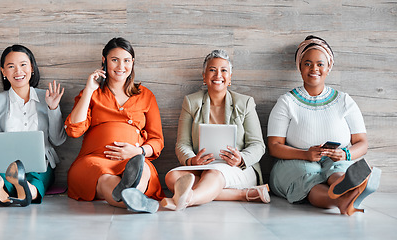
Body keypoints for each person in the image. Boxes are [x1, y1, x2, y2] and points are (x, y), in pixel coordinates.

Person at [267, 35, 381, 216]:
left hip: (335, 159)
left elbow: (362, 143)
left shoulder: (344, 101)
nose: (314, 69)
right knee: (309, 178)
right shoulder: (286, 102)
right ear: (300, 67)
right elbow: (274, 147)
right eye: (307, 63)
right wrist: (306, 154)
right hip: (295, 161)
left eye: (320, 64)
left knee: (337, 170)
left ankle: (345, 186)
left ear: (329, 67)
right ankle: (345, 198)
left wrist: (345, 154)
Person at [65, 37, 164, 213]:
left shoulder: (146, 95)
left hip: (133, 158)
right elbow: (74, 130)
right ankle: (136, 198)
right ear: (104, 61)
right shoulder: (92, 94)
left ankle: (132, 191)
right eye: (114, 60)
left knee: (142, 171)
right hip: (94, 159)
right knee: (104, 179)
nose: (120, 67)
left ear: (132, 63)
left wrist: (138, 151)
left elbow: (157, 140)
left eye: (126, 61)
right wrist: (89, 90)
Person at [161, 50, 269, 211]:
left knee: (213, 174)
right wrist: (192, 161)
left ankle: (188, 199)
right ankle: (244, 194)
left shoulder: (245, 103)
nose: (218, 75)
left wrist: (241, 159)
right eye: (212, 70)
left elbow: (258, 145)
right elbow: (182, 144)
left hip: (238, 168)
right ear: (204, 77)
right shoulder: (191, 102)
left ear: (230, 78)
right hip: (201, 167)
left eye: (224, 70)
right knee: (172, 177)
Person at [0, 45, 66, 207]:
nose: (18, 71)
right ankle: (11, 190)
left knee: (36, 180)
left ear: (32, 68)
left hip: (40, 164)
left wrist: (53, 108)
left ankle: (21, 189)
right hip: (6, 165)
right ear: (3, 71)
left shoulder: (47, 97)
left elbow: (58, 140)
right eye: (11, 66)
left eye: (23, 64)